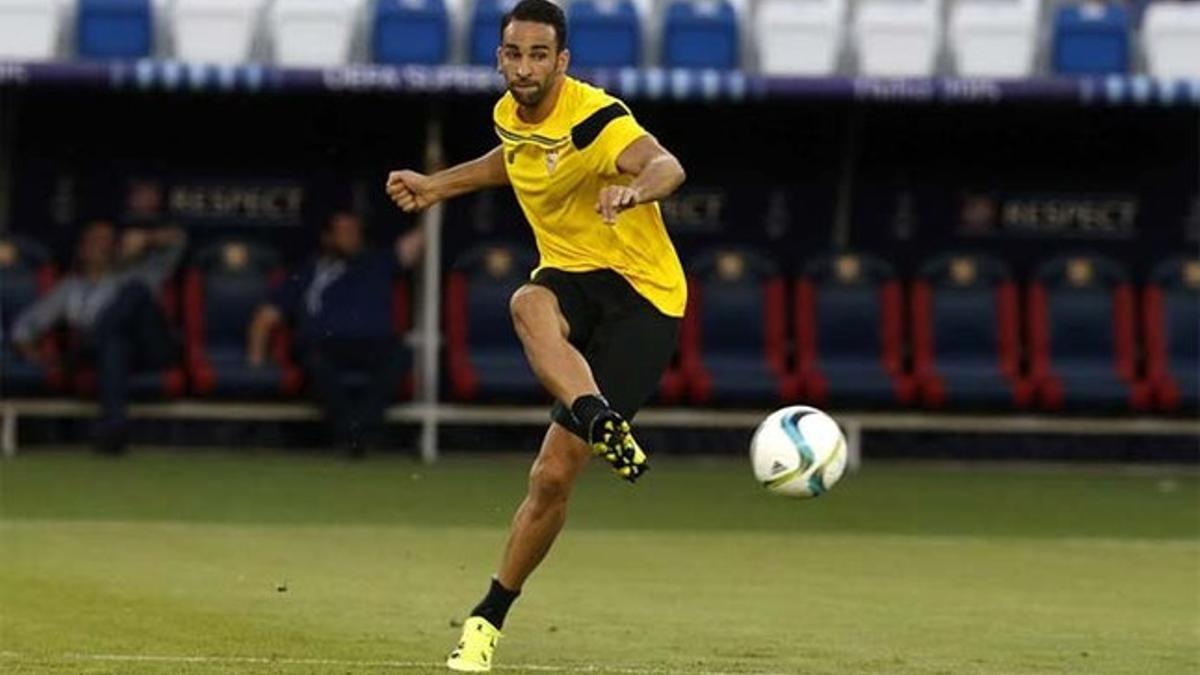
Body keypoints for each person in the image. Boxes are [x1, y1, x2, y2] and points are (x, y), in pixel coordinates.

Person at [385, 0, 688, 669]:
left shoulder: (596, 117)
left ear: (563, 61)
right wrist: (437, 186)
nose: (525, 67)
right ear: (500, 57)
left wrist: (637, 193)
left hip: (643, 298)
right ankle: (487, 618)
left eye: (539, 55)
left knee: (554, 474)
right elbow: (513, 158)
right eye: (514, 54)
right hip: (571, 276)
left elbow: (667, 164)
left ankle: (593, 420)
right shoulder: (508, 113)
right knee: (527, 299)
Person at [246, 211, 417, 457]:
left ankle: (358, 430)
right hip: (324, 346)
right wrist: (256, 359)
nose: (351, 237)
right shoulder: (310, 270)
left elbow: (419, 241)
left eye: (354, 231)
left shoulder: (379, 261)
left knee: (401, 355)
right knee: (315, 362)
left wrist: (435, 188)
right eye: (344, 232)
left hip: (374, 345)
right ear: (328, 237)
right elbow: (265, 316)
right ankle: (352, 433)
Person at [11, 221, 187, 454]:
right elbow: (25, 326)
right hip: (114, 356)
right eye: (95, 241)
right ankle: (115, 428)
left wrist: (146, 240)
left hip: (152, 348)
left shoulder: (141, 269)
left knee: (135, 290)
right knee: (114, 344)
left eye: (108, 241)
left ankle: (89, 344)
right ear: (82, 249)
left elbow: (179, 241)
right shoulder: (70, 287)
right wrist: (29, 352)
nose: (102, 247)